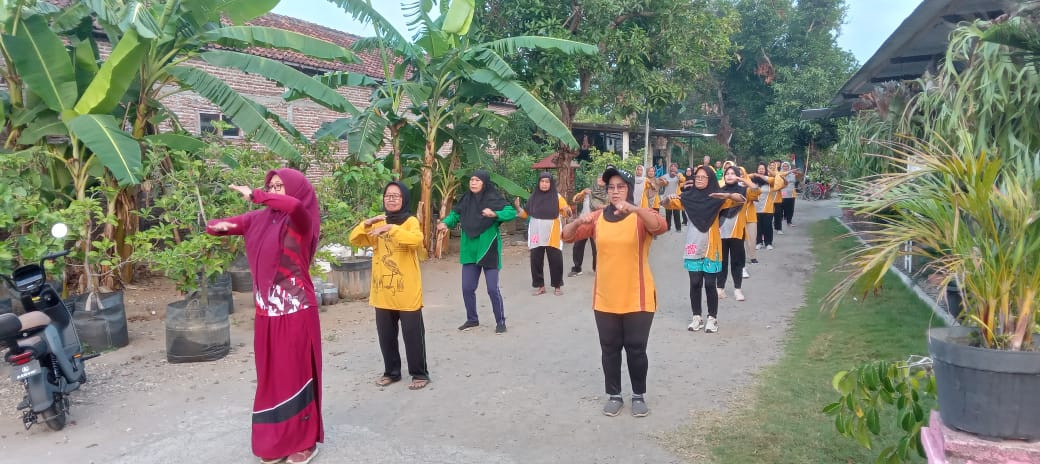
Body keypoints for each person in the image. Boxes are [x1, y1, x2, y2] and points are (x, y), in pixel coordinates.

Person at [206, 168, 323, 464]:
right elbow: (225, 225)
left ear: (297, 189)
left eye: (282, 186)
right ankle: (275, 440)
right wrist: (217, 226)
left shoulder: (302, 220)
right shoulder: (258, 220)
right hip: (266, 313)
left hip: (296, 310)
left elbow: (293, 206)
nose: (276, 190)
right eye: (271, 185)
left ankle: (305, 441)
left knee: (296, 374)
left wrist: (257, 195)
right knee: (271, 377)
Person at [562, 167, 667, 418]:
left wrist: (636, 209)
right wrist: (578, 220)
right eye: (611, 187)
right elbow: (566, 237)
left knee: (636, 348)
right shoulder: (598, 218)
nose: (616, 191)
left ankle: (638, 395)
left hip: (638, 295)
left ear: (629, 189)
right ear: (606, 191)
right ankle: (614, 395)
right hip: (605, 297)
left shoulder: (641, 216)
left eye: (621, 186)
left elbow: (659, 226)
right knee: (609, 348)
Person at [349, 181, 429, 391]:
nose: (391, 199)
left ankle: (419, 373)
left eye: (396, 196)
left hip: (407, 289)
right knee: (386, 334)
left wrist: (392, 229)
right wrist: (366, 223)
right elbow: (355, 240)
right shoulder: (378, 222)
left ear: (404, 199)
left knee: (413, 334)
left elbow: (415, 241)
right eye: (388, 196)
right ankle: (391, 372)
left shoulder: (410, 221)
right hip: (382, 290)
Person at [664, 166, 744, 334]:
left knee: (709, 284)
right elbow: (665, 203)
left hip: (712, 246)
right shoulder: (687, 197)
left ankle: (712, 318)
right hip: (693, 245)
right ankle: (696, 317)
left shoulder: (717, 197)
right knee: (695, 283)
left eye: (703, 177)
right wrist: (667, 198)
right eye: (697, 177)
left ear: (710, 179)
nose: (699, 179)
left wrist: (727, 195)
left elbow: (740, 199)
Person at [437, 170, 517, 334]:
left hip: (488, 248)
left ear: (484, 183)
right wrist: (445, 223)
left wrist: (495, 213)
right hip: (469, 249)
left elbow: (510, 212)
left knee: (492, 289)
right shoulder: (466, 199)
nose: (473, 182)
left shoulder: (493, 198)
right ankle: (472, 319)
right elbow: (455, 214)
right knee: (467, 288)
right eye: (471, 180)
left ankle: (500, 321)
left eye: (477, 180)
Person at [514, 172, 572, 296]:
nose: (544, 184)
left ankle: (557, 286)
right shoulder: (533, 197)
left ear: (550, 184)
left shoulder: (557, 197)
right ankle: (540, 286)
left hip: (553, 232)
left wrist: (568, 210)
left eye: (547, 182)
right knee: (536, 259)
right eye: (542, 182)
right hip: (536, 232)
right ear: (539, 183)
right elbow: (525, 214)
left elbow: (566, 212)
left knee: (555, 260)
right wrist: (518, 208)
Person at [716, 166, 754, 301]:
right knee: (721, 262)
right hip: (720, 232)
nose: (730, 175)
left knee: (737, 262)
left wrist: (742, 179)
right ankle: (720, 288)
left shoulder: (744, 190)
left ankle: (738, 289)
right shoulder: (719, 191)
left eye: (733, 174)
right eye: (727, 173)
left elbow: (756, 190)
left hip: (737, 233)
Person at [569, 172, 608, 276]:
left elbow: (609, 207)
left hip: (598, 223)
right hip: (584, 222)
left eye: (603, 180)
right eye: (599, 178)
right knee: (578, 245)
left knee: (597, 248)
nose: (601, 181)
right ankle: (577, 269)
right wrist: (582, 193)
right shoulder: (588, 191)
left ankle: (597, 269)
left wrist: (602, 207)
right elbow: (575, 200)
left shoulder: (607, 193)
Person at [751, 162, 782, 251]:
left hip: (767, 208)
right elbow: (746, 177)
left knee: (767, 226)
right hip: (755, 208)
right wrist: (754, 175)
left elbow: (776, 177)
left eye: (762, 169)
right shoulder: (753, 181)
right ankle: (759, 242)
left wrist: (762, 174)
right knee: (758, 226)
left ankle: (768, 243)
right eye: (759, 169)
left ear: (765, 170)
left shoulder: (770, 181)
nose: (761, 170)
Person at [776, 161, 800, 230]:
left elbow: (799, 178)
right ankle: (779, 222)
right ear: (782, 167)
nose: (785, 167)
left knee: (790, 209)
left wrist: (797, 174)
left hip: (791, 194)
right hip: (782, 194)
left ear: (789, 167)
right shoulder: (780, 174)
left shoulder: (793, 174)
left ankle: (789, 221)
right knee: (781, 208)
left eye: (786, 166)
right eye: (784, 166)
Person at [661, 163, 685, 232]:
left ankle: (678, 228)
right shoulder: (665, 176)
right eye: (672, 166)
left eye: (675, 167)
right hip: (667, 197)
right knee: (668, 214)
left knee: (676, 214)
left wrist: (677, 175)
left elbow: (683, 180)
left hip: (676, 197)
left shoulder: (679, 175)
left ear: (677, 168)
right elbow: (660, 181)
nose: (673, 167)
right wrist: (663, 181)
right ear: (669, 168)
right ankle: (667, 227)